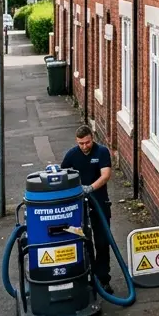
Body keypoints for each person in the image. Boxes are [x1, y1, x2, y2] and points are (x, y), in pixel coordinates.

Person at [61, 124, 115, 292]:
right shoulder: (72, 155)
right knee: (83, 241)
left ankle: (103, 279)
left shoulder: (102, 152)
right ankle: (86, 277)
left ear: (92, 138)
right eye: (81, 143)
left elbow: (105, 175)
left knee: (102, 241)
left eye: (87, 142)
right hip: (79, 207)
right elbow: (62, 175)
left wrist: (90, 188)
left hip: (99, 203)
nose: (85, 146)